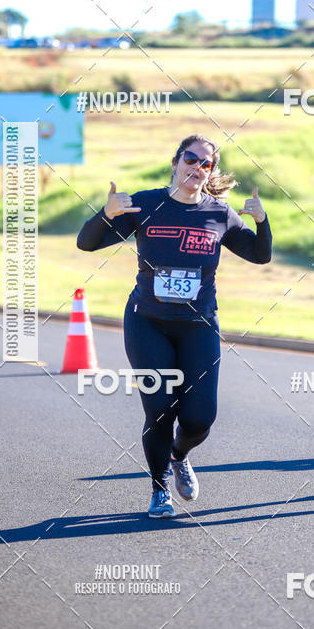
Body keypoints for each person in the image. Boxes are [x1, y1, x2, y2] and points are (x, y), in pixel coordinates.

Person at [76, 134, 272, 517]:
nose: (197, 168)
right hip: (148, 322)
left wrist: (262, 221)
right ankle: (159, 488)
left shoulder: (219, 213)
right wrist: (106, 212)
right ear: (175, 162)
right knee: (161, 408)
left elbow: (259, 254)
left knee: (200, 418)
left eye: (206, 164)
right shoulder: (146, 204)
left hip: (199, 325)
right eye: (191, 159)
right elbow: (86, 243)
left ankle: (180, 456)